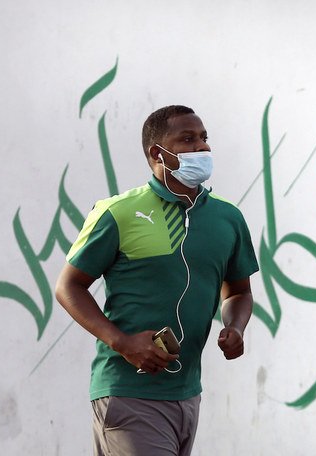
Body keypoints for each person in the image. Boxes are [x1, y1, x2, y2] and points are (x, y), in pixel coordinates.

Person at [55, 105, 259, 455]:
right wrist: (122, 342)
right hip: (128, 393)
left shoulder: (229, 218)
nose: (202, 148)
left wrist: (236, 327)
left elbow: (238, 291)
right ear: (158, 153)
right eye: (188, 139)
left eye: (204, 139)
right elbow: (68, 287)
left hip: (188, 394)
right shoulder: (117, 212)